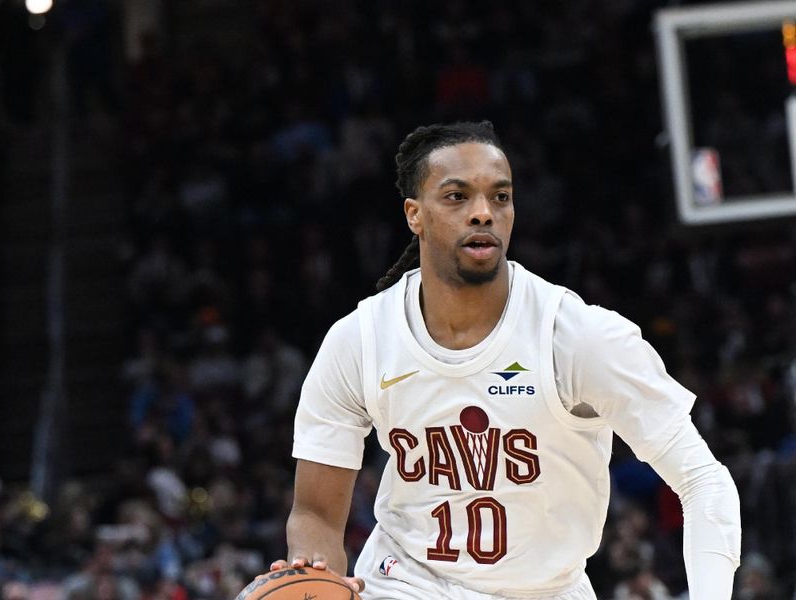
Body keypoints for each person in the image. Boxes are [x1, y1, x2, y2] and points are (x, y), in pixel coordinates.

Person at [264, 121, 741, 599]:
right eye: (457, 197)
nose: (483, 214)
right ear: (415, 215)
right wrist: (315, 573)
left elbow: (704, 483)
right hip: (404, 585)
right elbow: (315, 514)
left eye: (500, 197)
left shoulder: (576, 337)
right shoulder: (361, 340)